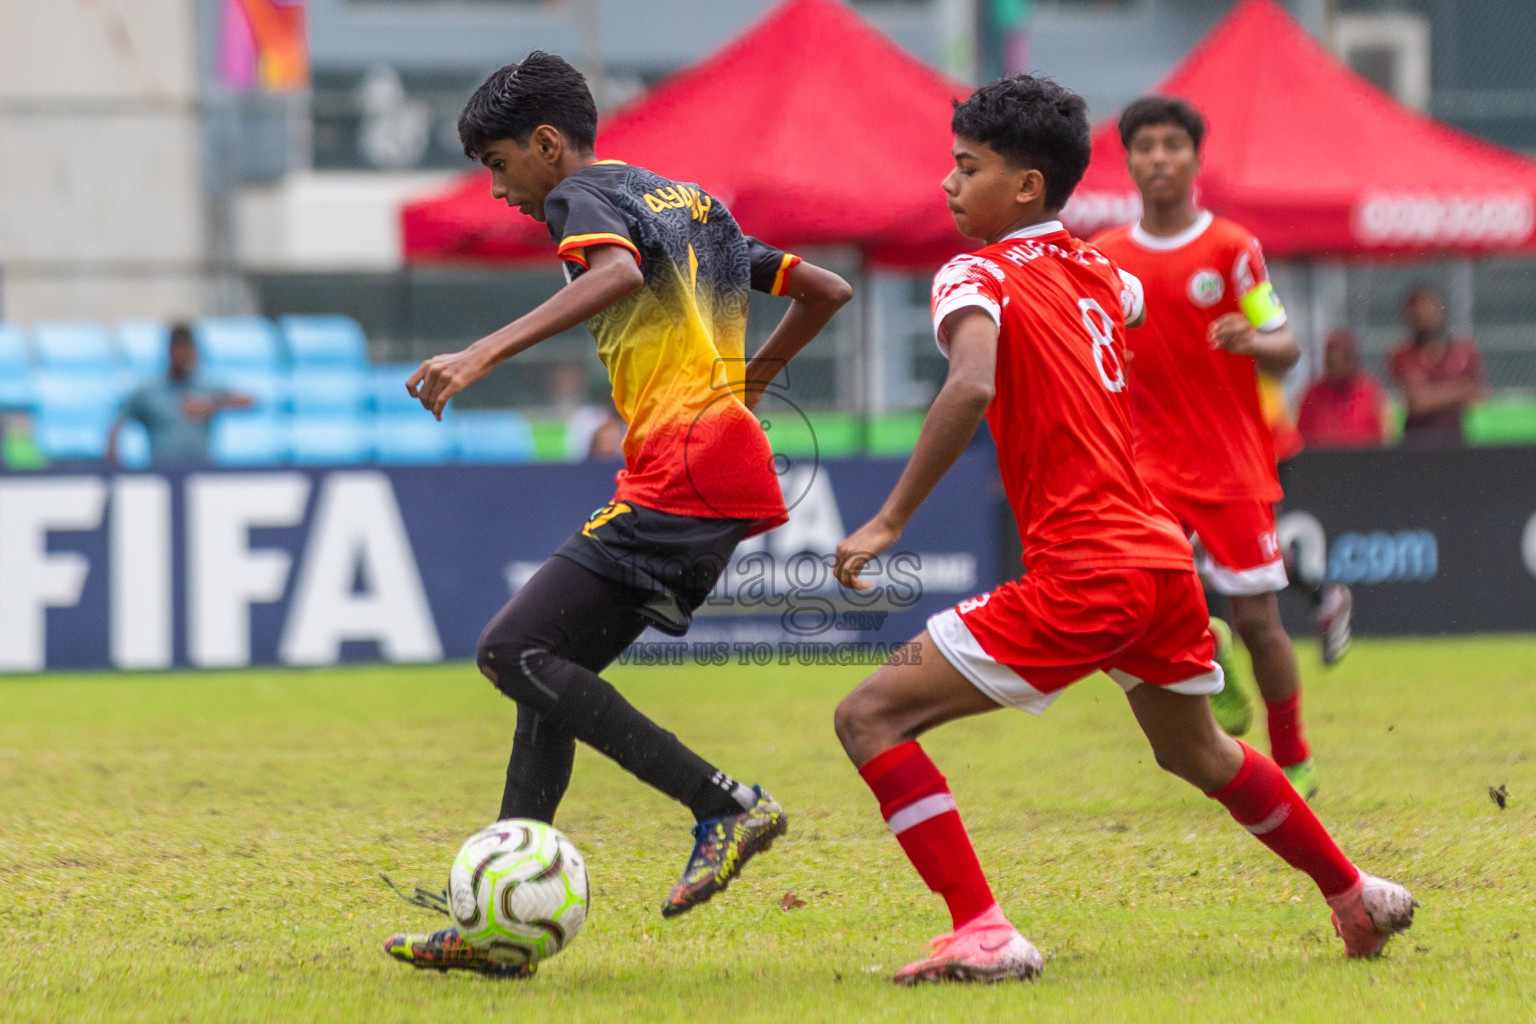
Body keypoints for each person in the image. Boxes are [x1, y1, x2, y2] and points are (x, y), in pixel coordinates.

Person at [830, 74, 1415, 986]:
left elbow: (972, 383)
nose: (947, 183)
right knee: (1197, 749)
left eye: (965, 166)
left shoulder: (973, 272)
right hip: (1159, 559)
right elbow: (1131, 307)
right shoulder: (1102, 267)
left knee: (869, 714)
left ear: (1026, 186)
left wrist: (887, 520)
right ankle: (1354, 894)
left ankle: (981, 930)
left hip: (1086, 568)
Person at [384, 52, 853, 977]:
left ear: (548, 145)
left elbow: (610, 276)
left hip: (681, 476)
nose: (499, 188)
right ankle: (497, 934)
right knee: (545, 672)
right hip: (710, 469)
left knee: (508, 653)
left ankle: (723, 802)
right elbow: (823, 290)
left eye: (500, 162)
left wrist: (481, 354)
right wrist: (747, 386)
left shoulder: (582, 201)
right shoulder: (689, 202)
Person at [1092, 97, 1341, 797]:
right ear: (1130, 161)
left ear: (1197, 159)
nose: (1160, 157)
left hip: (1230, 465)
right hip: (1143, 468)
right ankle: (1215, 664)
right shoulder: (1107, 259)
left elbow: (1287, 344)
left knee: (1260, 618)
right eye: (1145, 146)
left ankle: (1292, 754)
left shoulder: (1233, 251)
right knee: (1144, 601)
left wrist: (1252, 339)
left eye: (1173, 144)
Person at [108, 324, 252, 466]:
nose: (182, 354)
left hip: (201, 474)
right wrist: (118, 470)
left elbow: (249, 401)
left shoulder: (206, 388)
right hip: (161, 475)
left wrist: (212, 405)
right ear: (169, 351)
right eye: (177, 347)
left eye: (186, 348)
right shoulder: (148, 392)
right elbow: (118, 424)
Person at [1389, 284, 1488, 448]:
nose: (1423, 314)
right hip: (1416, 441)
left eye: (1429, 307)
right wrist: (1460, 390)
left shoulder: (1464, 350)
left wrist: (1434, 394)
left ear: (1442, 310)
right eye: (1417, 310)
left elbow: (1479, 395)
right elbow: (1418, 402)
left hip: (1457, 439)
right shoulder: (1401, 354)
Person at [1298, 329, 1389, 449]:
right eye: (1330, 361)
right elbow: (1302, 440)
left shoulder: (1369, 392)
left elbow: (1384, 439)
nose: (1336, 367)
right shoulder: (1313, 395)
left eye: (1341, 359)